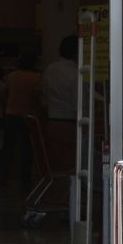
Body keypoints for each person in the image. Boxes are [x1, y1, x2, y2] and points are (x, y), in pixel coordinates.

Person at [2, 53, 42, 187]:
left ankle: (4, 175)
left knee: (8, 147)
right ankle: (25, 177)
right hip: (27, 116)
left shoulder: (12, 76)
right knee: (27, 148)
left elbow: (5, 93)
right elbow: (37, 97)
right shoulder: (35, 77)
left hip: (11, 114)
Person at [42, 36, 79, 175]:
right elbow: (77, 101)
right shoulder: (76, 72)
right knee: (70, 163)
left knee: (55, 163)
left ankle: (58, 193)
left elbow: (44, 95)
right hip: (70, 122)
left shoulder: (49, 69)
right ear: (76, 52)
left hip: (52, 121)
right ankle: (69, 194)